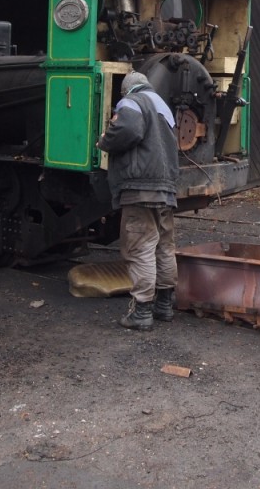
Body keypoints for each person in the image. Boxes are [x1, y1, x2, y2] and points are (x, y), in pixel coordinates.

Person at [97, 70, 180, 330]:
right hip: (165, 187)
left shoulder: (132, 101)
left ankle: (142, 311)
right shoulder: (162, 105)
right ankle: (164, 305)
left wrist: (105, 141)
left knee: (140, 246)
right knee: (164, 245)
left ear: (127, 90)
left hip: (140, 186)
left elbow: (128, 128)